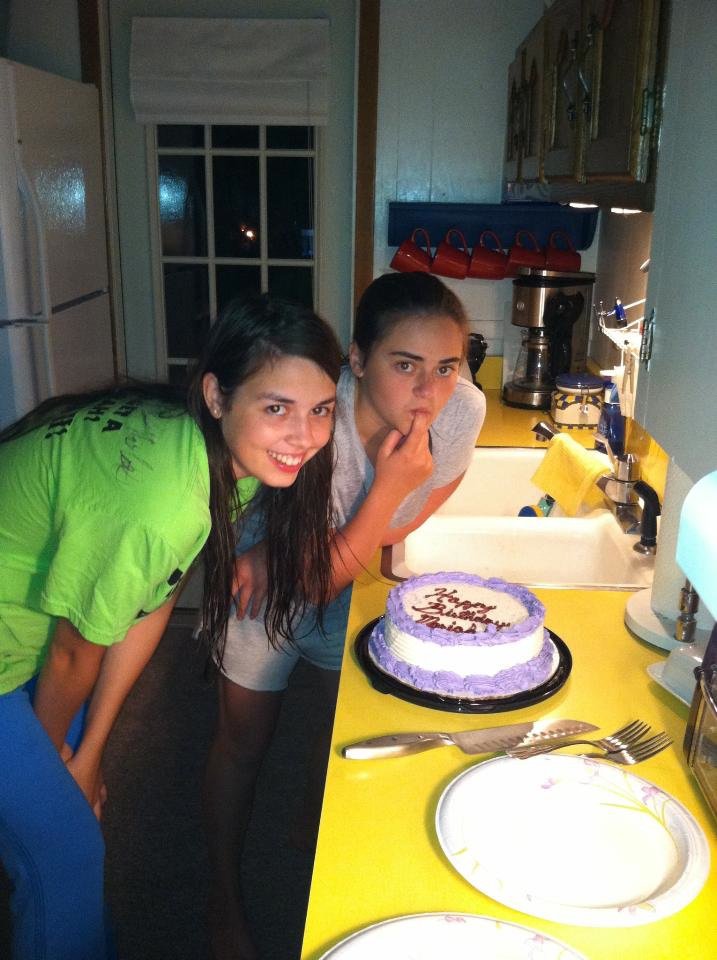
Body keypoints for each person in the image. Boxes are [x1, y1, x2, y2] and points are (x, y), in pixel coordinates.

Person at [0, 294, 343, 960]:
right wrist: (55, 770)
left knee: (63, 833)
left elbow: (146, 599)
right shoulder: (161, 501)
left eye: (320, 410)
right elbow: (77, 653)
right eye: (276, 408)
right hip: (27, 649)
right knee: (67, 848)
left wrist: (94, 749)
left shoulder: (214, 456)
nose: (304, 436)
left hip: (36, 635)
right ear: (217, 395)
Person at [204, 271, 486, 960]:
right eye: (404, 365)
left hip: (346, 571)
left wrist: (365, 512)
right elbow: (303, 567)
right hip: (257, 580)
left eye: (444, 367)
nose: (427, 392)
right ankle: (219, 897)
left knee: (343, 727)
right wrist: (278, 544)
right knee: (243, 742)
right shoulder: (314, 413)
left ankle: (312, 811)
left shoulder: (460, 411)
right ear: (356, 362)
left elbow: (399, 523)